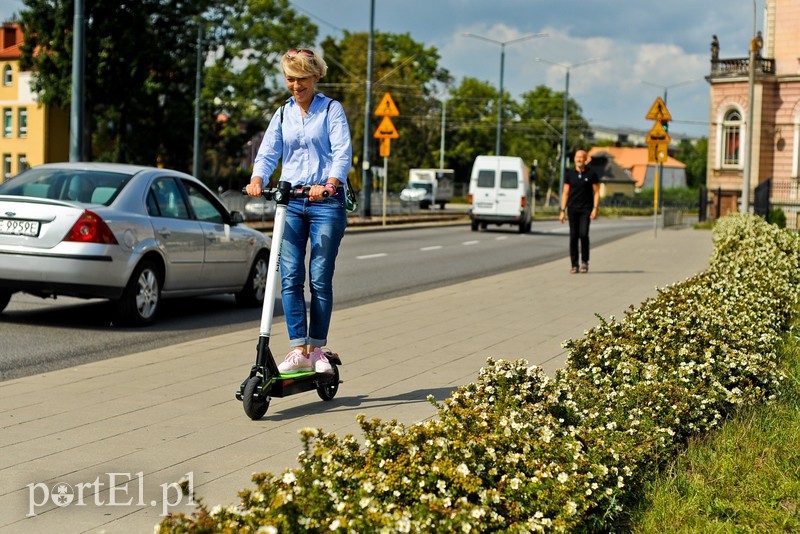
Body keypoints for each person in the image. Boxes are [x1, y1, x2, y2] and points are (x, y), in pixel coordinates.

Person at [245, 47, 352, 374]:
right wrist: (257, 178)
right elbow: (267, 153)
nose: (295, 85)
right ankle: (298, 349)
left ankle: (316, 349)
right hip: (290, 201)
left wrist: (331, 183)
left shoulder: (331, 110)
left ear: (315, 77)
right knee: (290, 276)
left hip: (325, 201)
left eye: (302, 79)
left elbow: (342, 153)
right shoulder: (282, 114)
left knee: (319, 277)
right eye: (290, 79)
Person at [559, 150, 600, 273]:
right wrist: (562, 210)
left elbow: (597, 192)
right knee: (573, 237)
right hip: (572, 209)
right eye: (577, 157)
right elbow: (565, 193)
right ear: (574, 159)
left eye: (581, 157)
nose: (579, 159)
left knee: (583, 234)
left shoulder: (591, 174)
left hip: (586, 209)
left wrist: (595, 208)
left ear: (585, 159)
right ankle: (574, 264)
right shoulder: (569, 174)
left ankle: (584, 261)